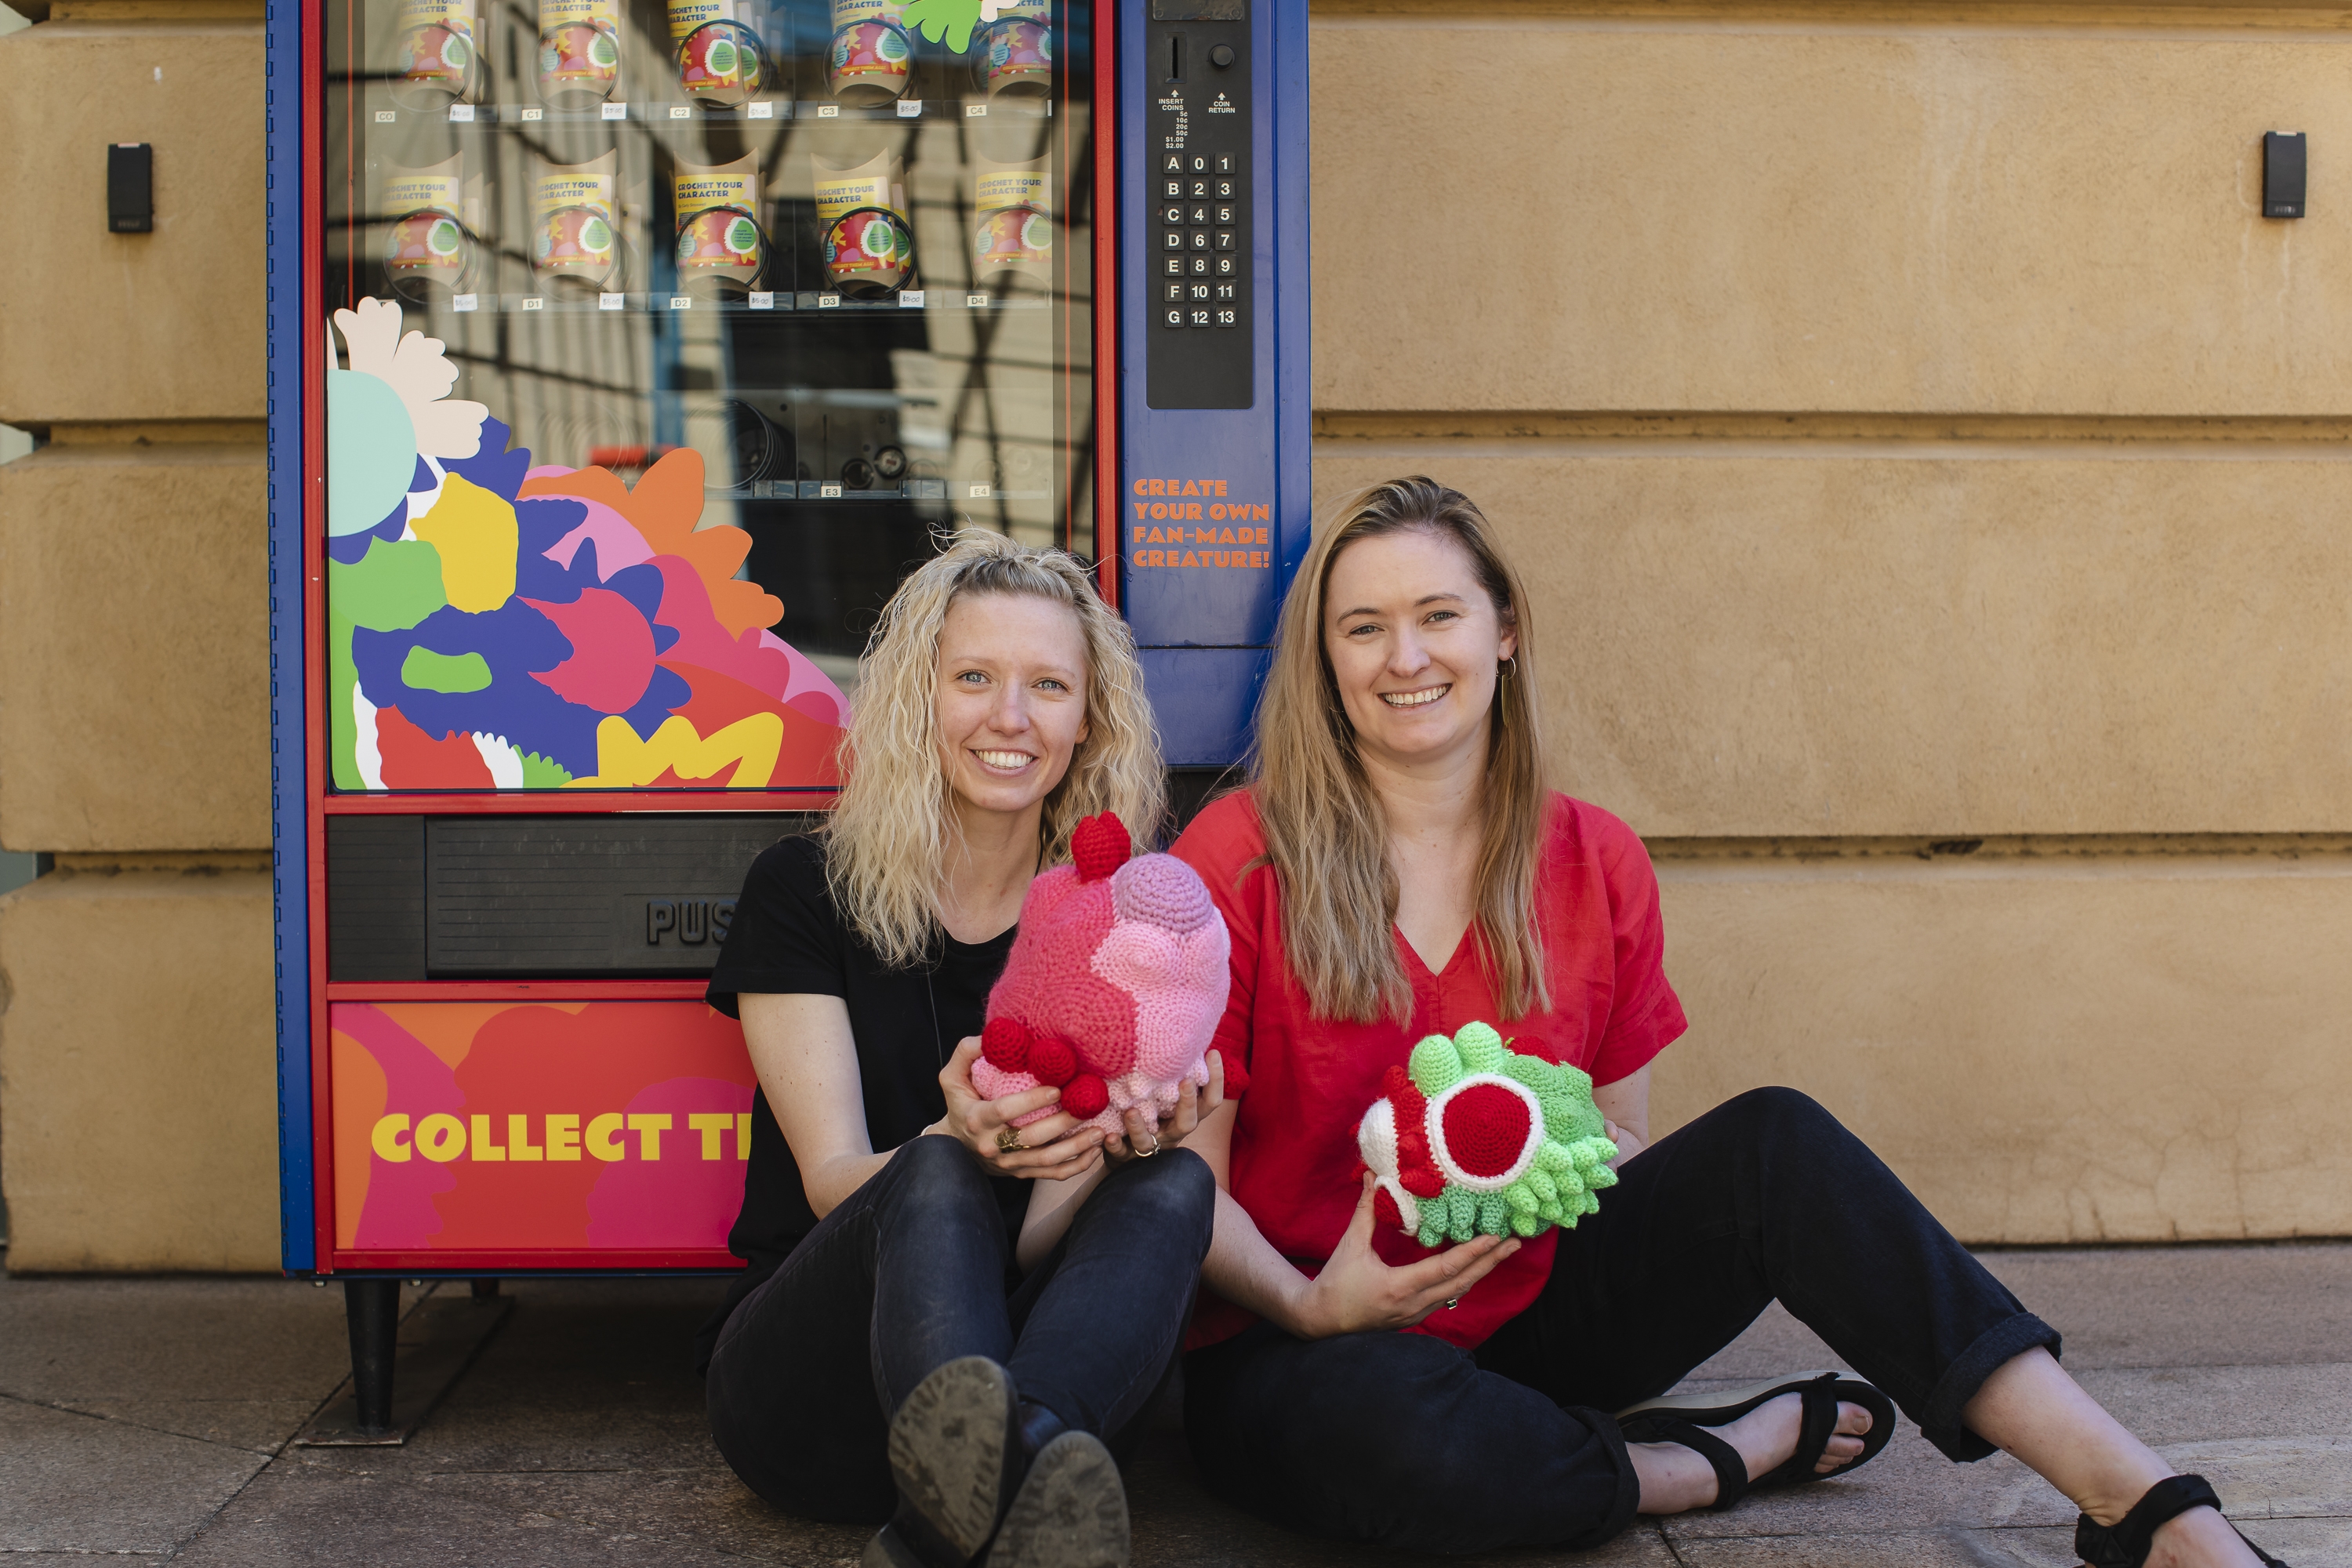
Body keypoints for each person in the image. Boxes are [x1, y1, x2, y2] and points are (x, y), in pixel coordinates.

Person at [1166, 477, 2287, 1568]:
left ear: (1504, 632)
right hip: (1308, 1351)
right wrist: (1316, 1306)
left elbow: (1623, 1150)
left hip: (1531, 1324)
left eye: (1438, 615)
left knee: (1777, 1144)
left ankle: (2145, 1503)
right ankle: (1707, 1460)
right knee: (1388, 1437)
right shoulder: (1236, 858)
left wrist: (1555, 1157)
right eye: (1363, 628)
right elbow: (1186, 1193)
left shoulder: (1596, 861)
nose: (1405, 658)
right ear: (1325, 660)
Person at [702, 531, 1221, 1568]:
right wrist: (964, 1138)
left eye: (1049, 686)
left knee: (1175, 1187)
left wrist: (1113, 1142)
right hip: (813, 1392)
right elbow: (833, 1183)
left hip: (1024, 1359)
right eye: (975, 677)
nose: (1012, 717)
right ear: (918, 700)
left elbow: (1034, 1247)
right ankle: (1021, 1478)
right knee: (933, 1166)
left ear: (1089, 720)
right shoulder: (802, 893)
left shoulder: (1119, 929)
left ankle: (977, 1502)